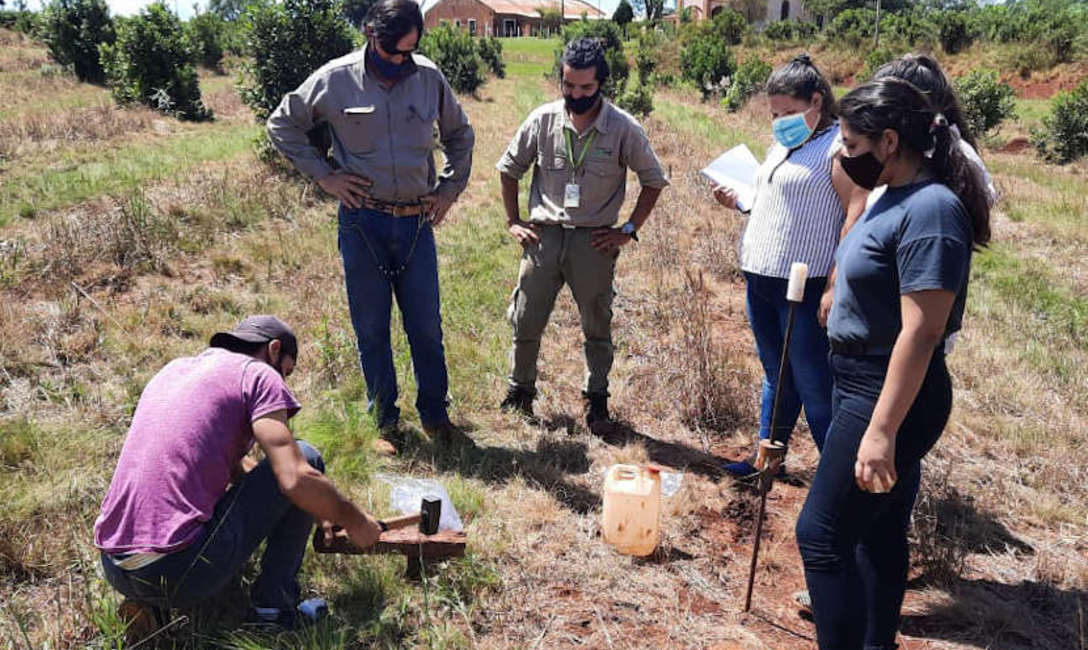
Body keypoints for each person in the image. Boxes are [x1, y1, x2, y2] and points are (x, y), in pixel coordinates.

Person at [795, 77, 991, 650]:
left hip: (888, 391)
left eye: (852, 147)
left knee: (822, 534)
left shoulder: (932, 211)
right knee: (876, 531)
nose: (842, 158)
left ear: (887, 141)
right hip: (862, 379)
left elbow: (924, 331)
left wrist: (881, 431)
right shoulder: (892, 195)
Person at [267, 0, 475, 444]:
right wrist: (325, 176)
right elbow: (282, 124)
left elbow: (460, 135)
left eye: (410, 51)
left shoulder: (428, 77)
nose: (403, 62)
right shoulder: (335, 79)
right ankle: (384, 422)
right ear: (369, 34)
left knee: (425, 326)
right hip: (363, 225)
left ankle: (436, 416)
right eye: (393, 52)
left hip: (416, 224)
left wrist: (448, 191)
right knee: (371, 327)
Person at [94, 316, 383, 629]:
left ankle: (148, 602)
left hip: (113, 564)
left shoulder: (175, 370)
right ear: (274, 350)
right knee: (307, 458)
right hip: (177, 569)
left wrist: (317, 504)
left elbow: (229, 470)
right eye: (286, 371)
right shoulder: (258, 374)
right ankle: (272, 611)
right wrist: (355, 520)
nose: (283, 381)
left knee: (287, 477)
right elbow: (295, 477)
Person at [495, 37, 669, 429]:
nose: (576, 95)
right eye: (569, 86)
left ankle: (597, 399)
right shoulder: (542, 120)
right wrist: (513, 221)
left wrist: (628, 229)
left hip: (594, 242)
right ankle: (520, 391)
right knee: (526, 318)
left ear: (602, 84)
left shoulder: (624, 128)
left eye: (585, 88)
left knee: (596, 323)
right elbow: (508, 169)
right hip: (545, 237)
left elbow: (654, 181)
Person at [712, 53, 868, 478]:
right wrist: (742, 201)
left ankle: (839, 482)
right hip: (761, 279)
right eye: (775, 113)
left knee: (814, 384)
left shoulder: (838, 147)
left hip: (804, 285)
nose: (780, 120)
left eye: (789, 112)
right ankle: (767, 463)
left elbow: (855, 212)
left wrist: (836, 284)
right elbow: (778, 201)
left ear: (817, 101)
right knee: (776, 377)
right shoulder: (783, 144)